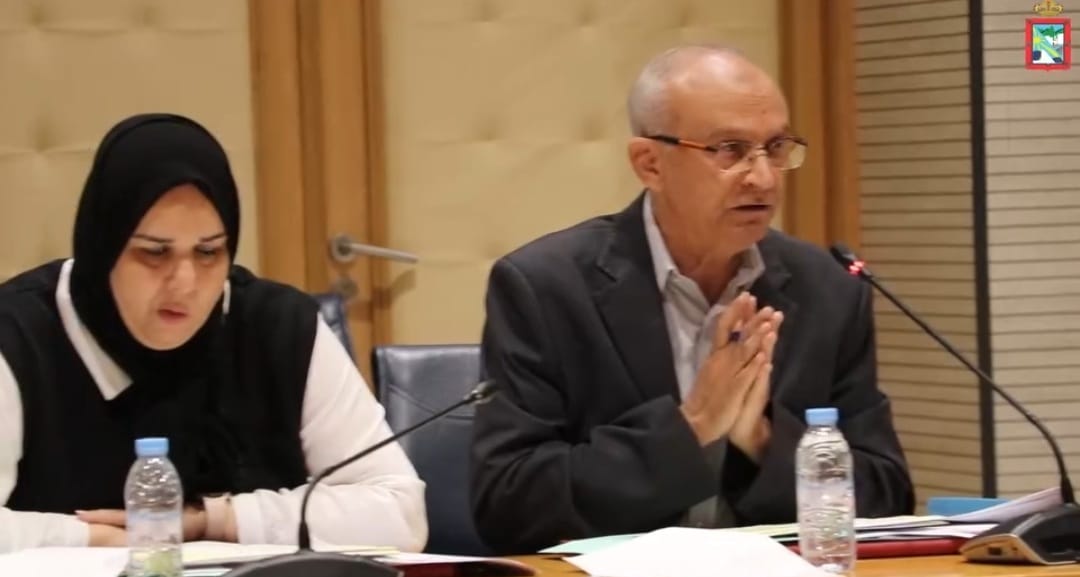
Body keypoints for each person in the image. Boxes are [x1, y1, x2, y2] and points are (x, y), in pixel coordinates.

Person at [470, 45, 914, 553]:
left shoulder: (827, 290)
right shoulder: (546, 288)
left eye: (775, 147)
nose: (764, 177)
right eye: (729, 149)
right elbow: (508, 504)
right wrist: (694, 425)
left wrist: (762, 440)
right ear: (650, 164)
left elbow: (886, 496)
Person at [0, 113, 427, 553]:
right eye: (154, 253)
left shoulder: (278, 328)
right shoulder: (19, 336)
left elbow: (400, 512)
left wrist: (213, 521)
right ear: (103, 246)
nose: (185, 282)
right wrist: (95, 538)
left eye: (208, 252)